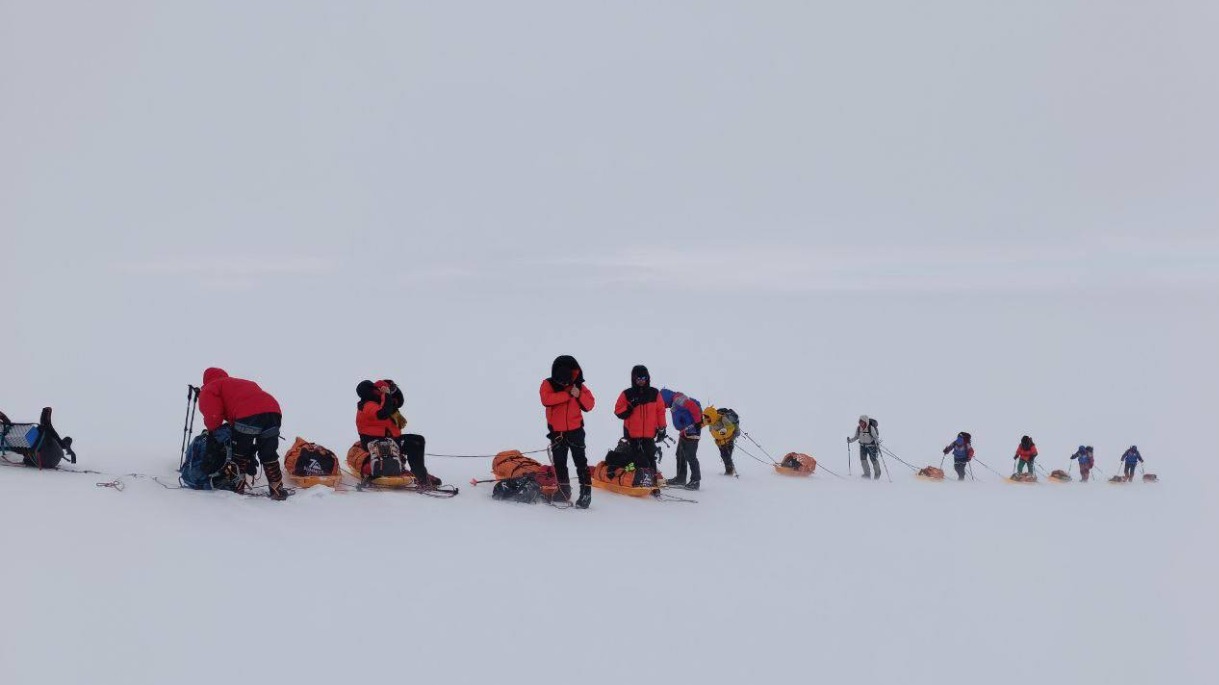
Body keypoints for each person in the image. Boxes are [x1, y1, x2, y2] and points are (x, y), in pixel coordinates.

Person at [199, 367, 289, 500]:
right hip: (273, 410)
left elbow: (213, 417)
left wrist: (213, 433)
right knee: (268, 453)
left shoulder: (210, 387)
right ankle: (277, 488)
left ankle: (237, 487)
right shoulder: (242, 383)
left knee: (240, 453)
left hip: (247, 414)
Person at [356, 379, 437, 487]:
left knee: (419, 439)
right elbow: (383, 413)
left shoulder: (379, 403)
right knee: (414, 444)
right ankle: (422, 479)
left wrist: (392, 388)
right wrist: (386, 394)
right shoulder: (367, 405)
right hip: (376, 443)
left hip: (387, 440)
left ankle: (421, 474)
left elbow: (398, 401)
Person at [539, 355, 594, 508]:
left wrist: (579, 395)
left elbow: (590, 405)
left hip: (576, 431)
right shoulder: (548, 384)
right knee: (560, 464)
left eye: (566, 381)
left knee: (581, 463)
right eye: (561, 382)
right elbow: (546, 399)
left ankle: (586, 494)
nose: (564, 384)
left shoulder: (579, 386)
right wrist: (568, 394)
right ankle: (564, 491)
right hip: (557, 433)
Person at [611, 365, 667, 479]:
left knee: (651, 457)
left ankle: (653, 481)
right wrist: (630, 406)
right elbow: (618, 411)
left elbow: (660, 412)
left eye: (643, 379)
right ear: (634, 379)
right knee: (634, 459)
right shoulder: (627, 394)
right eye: (638, 379)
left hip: (649, 434)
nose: (641, 381)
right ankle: (631, 477)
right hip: (632, 435)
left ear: (647, 379)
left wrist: (662, 428)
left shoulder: (654, 393)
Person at [660, 388, 702, 489]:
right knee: (680, 454)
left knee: (690, 456)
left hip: (692, 432)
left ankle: (695, 481)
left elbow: (693, 407)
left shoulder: (678, 399)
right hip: (685, 432)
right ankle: (680, 478)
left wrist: (697, 423)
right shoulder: (674, 400)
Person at [702, 405, 740, 476]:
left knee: (726, 456)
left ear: (711, 415)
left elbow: (730, 428)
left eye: (706, 416)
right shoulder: (709, 420)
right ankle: (730, 470)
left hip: (728, 440)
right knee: (725, 456)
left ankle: (729, 473)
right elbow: (701, 423)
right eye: (705, 416)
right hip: (720, 442)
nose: (705, 418)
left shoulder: (723, 418)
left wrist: (723, 431)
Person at [847, 415, 881, 480]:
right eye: (860, 422)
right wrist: (850, 441)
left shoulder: (870, 428)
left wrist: (878, 444)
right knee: (863, 460)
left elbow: (876, 437)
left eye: (862, 422)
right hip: (862, 446)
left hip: (872, 446)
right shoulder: (859, 428)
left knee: (873, 460)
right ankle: (867, 474)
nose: (861, 423)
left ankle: (877, 474)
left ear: (866, 421)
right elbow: (856, 437)